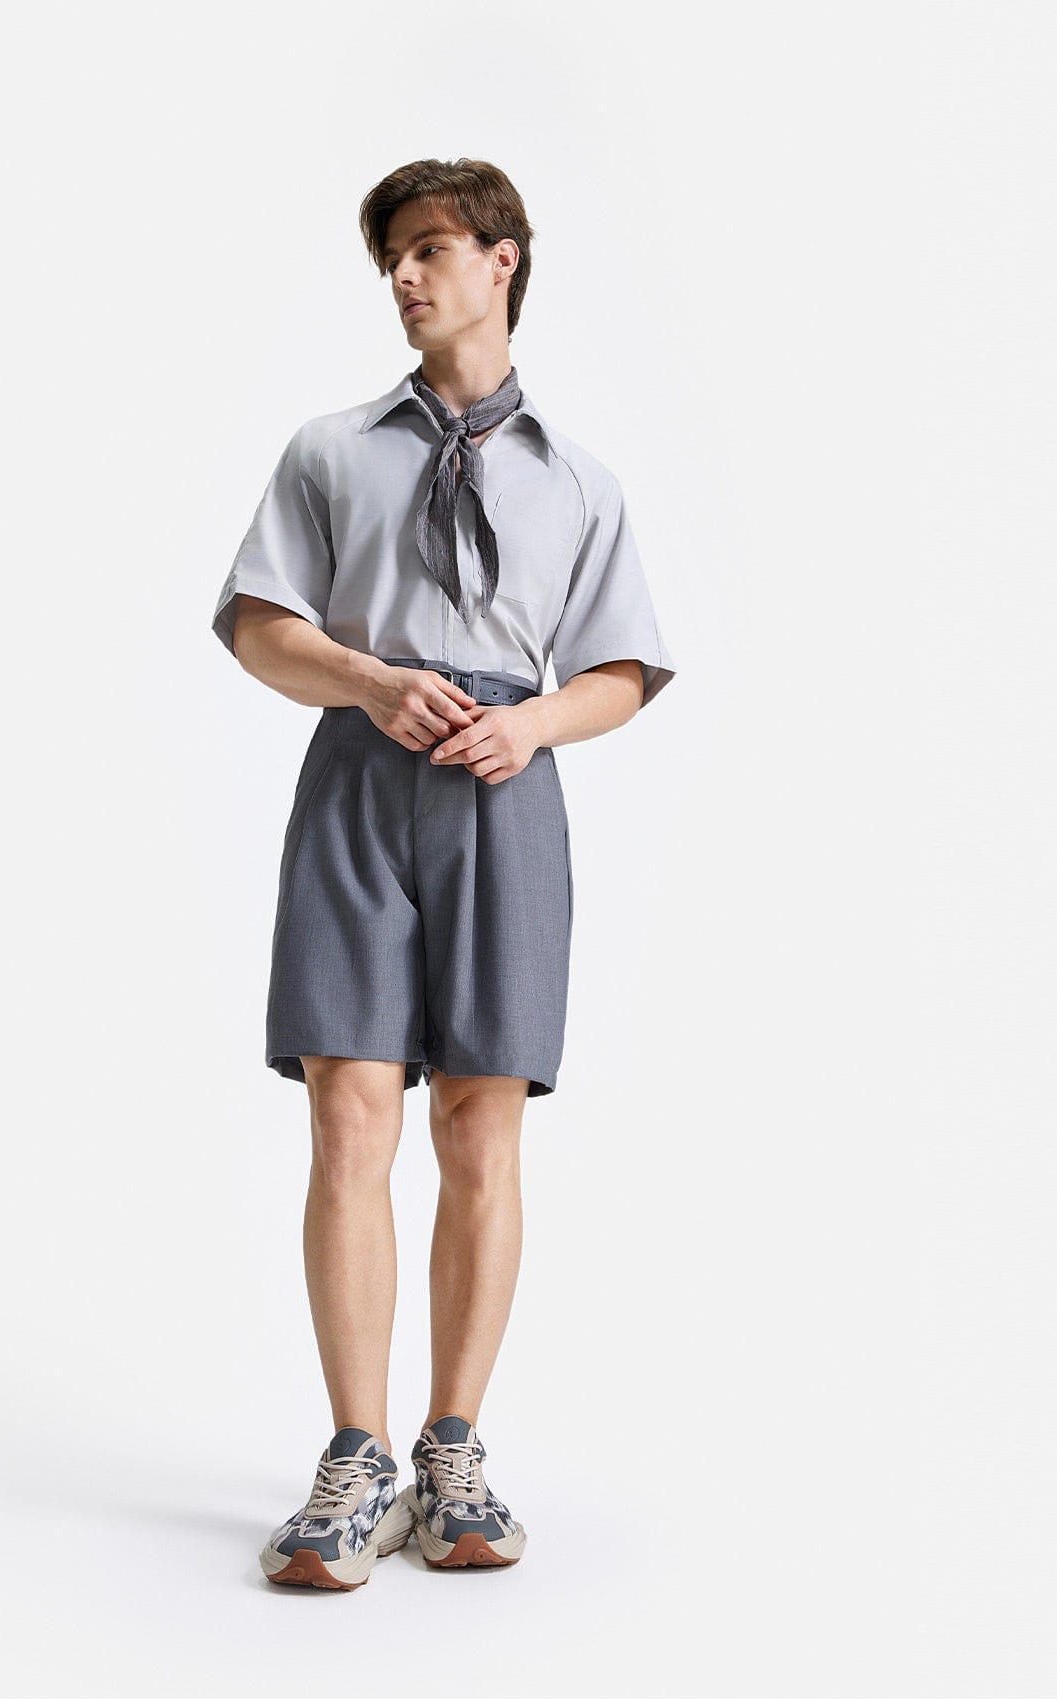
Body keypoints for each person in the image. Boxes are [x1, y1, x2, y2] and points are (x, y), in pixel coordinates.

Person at [210, 158, 677, 1590]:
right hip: (360, 786)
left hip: (505, 797)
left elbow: (621, 667)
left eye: (428, 249)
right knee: (349, 1116)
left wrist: (531, 724)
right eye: (392, 259)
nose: (405, 278)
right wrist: (368, 679)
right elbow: (257, 624)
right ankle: (354, 1460)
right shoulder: (330, 452)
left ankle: (453, 1450)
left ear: (502, 259)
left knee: (482, 1129)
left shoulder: (579, 481)